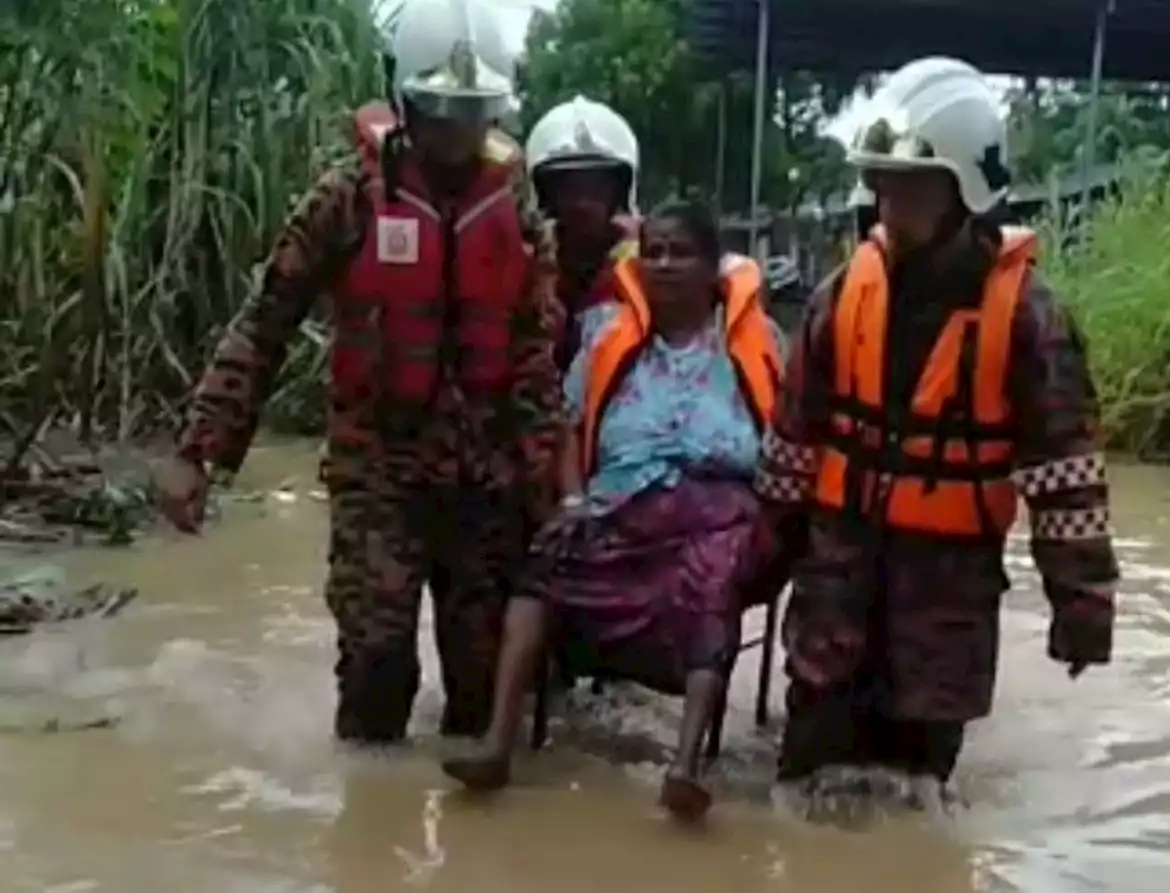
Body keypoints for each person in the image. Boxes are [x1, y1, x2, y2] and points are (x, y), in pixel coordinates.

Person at [151, 0, 563, 745]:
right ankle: (368, 832)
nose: (457, 130)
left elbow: (534, 354)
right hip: (380, 470)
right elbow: (264, 320)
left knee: (482, 681)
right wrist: (198, 452)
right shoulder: (345, 199)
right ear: (406, 100)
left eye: (473, 113)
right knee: (377, 668)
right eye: (440, 110)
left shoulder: (515, 208)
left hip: (484, 477)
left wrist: (551, 487)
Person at [754, 57, 1119, 804]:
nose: (890, 199)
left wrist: (1080, 599)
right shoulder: (839, 298)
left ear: (965, 190)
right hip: (837, 585)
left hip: (945, 600)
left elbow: (1065, 470)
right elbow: (793, 444)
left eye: (912, 183)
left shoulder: (1028, 319)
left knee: (917, 798)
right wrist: (759, 557)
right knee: (802, 786)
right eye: (883, 181)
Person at [442, 200, 786, 821]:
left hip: (719, 505)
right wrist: (572, 498)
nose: (664, 264)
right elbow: (570, 426)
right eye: (653, 251)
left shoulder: (756, 341)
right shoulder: (607, 336)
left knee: (715, 573)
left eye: (681, 252)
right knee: (547, 553)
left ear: (713, 266)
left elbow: (788, 435)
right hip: (622, 498)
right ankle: (497, 744)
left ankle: (684, 768)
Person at [525, 95, 641, 370]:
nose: (582, 202)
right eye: (569, 188)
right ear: (546, 195)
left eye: (596, 188)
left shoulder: (652, 263)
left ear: (619, 194)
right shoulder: (522, 265)